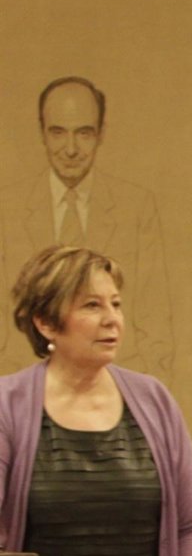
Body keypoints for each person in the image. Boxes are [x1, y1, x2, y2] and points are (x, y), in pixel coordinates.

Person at [0, 245, 192, 556]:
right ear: (46, 323)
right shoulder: (7, 407)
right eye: (92, 306)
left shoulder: (154, 400)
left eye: (116, 303)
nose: (112, 319)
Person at [0, 76, 173, 380]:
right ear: (42, 133)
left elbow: (155, 322)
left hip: (116, 389)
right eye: (58, 132)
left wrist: (136, 398)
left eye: (83, 133)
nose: (70, 149)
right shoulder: (6, 207)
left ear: (101, 134)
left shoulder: (136, 207)